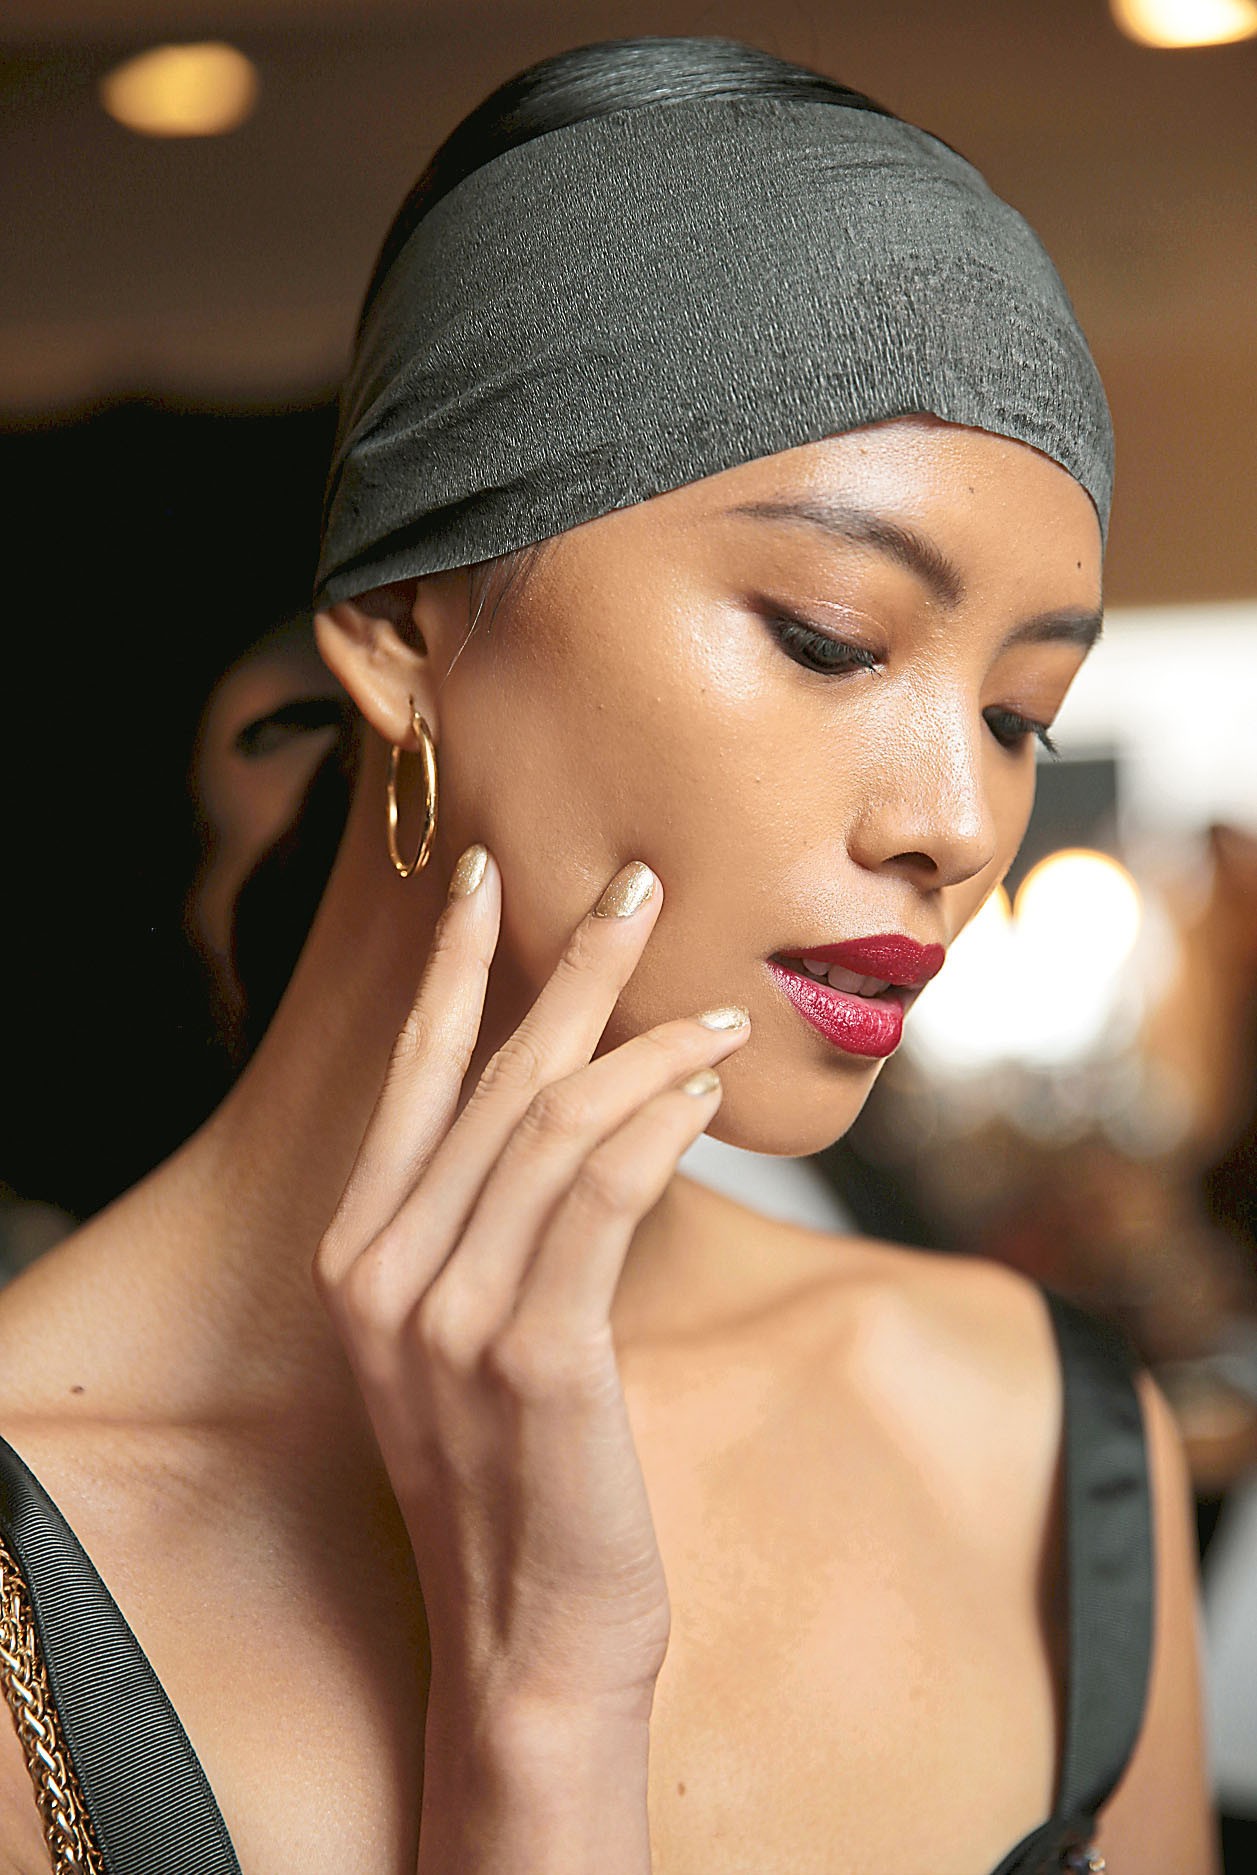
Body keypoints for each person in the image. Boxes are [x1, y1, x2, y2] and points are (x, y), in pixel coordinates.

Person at [0, 36, 1217, 1875]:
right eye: (830, 639)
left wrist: (552, 1701)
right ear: (403, 625)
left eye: (1018, 714)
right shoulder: (42, 1555)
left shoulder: (1034, 1446)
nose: (959, 823)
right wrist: (539, 1700)